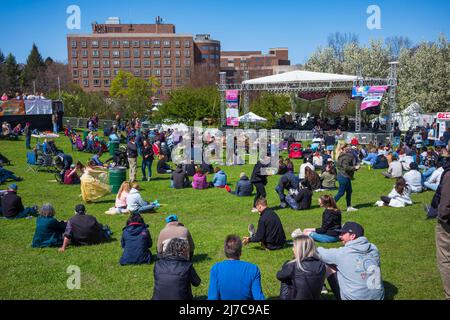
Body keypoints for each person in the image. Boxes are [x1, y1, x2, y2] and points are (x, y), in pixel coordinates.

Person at [317, 222, 384, 300]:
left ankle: (319, 289)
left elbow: (318, 252)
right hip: (379, 297)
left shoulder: (342, 253)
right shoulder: (374, 249)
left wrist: (306, 241)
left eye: (343, 233)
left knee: (327, 264)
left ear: (352, 236)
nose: (340, 236)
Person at [208, 235, 265, 300]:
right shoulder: (253, 269)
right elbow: (259, 297)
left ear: (225, 251)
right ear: (240, 252)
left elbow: (212, 297)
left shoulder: (216, 269)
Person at [276, 234, 326, 300]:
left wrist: (285, 265)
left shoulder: (292, 266)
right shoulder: (321, 264)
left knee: (285, 280)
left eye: (294, 246)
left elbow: (279, 275)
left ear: (299, 249)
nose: (292, 249)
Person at [433, 157, 450, 299]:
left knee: (445, 258)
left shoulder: (449, 174)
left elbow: (445, 208)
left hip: (447, 225)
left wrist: (441, 219)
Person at [335, 144, 360, 212]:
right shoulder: (345, 157)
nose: (348, 149)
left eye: (349, 148)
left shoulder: (343, 155)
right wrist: (354, 167)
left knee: (349, 191)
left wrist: (355, 168)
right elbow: (346, 167)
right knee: (341, 193)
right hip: (343, 176)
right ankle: (330, 205)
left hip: (346, 176)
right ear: (343, 149)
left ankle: (349, 207)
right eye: (346, 148)